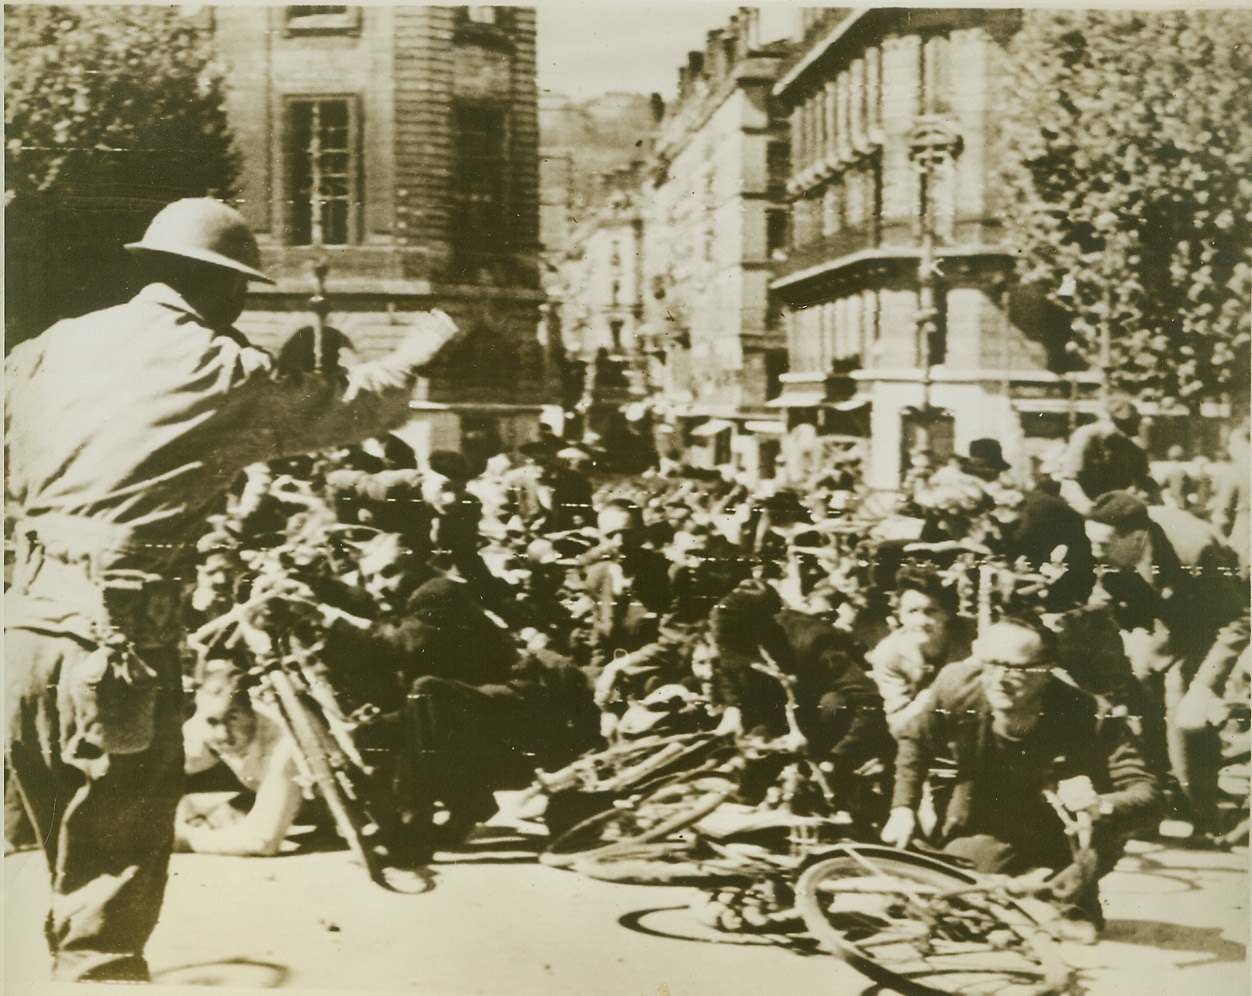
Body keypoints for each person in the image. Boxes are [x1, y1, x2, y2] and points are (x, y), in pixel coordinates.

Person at [3, 197, 460, 982]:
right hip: (116, 648)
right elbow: (340, 410)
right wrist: (413, 353)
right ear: (222, 287)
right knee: (107, 905)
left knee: (63, 868)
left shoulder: (51, 346)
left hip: (23, 633)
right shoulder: (223, 367)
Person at [881, 617, 1161, 937]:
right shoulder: (957, 686)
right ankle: (1027, 898)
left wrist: (1101, 804)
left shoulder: (1090, 714)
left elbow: (1148, 794)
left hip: (1060, 832)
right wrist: (903, 807)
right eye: (992, 663)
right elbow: (914, 739)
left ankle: (1070, 896)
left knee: (1055, 894)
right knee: (954, 906)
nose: (999, 679)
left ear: (1046, 671)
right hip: (988, 825)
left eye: (1016, 668)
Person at [1084, 490, 1248, 842]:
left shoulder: (1195, 549)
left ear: (1137, 538)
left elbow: (1240, 619)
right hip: (1165, 617)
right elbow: (1105, 598)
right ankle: (1152, 806)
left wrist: (1205, 687)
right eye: (1092, 543)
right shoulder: (1110, 544)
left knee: (1183, 706)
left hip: (1213, 614)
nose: (1096, 552)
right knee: (1140, 688)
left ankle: (1203, 815)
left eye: (1104, 545)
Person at [176, 661, 304, 858]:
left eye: (232, 718)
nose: (221, 734)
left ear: (251, 709)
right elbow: (160, 771)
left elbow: (262, 841)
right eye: (212, 721)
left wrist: (184, 839)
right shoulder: (205, 724)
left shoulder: (284, 742)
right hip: (272, 793)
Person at [865, 566, 975, 740]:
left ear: (947, 613)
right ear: (900, 615)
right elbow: (897, 725)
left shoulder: (973, 636)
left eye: (931, 611)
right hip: (922, 732)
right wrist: (932, 695)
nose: (922, 621)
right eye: (912, 611)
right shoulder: (888, 654)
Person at [1058, 399, 1153, 514]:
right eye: (1117, 423)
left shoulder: (1131, 445)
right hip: (1086, 506)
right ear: (1104, 419)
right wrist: (1090, 510)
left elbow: (1144, 481)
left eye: (1127, 426)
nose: (1120, 430)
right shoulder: (1086, 436)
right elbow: (1068, 483)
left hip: (1117, 508)